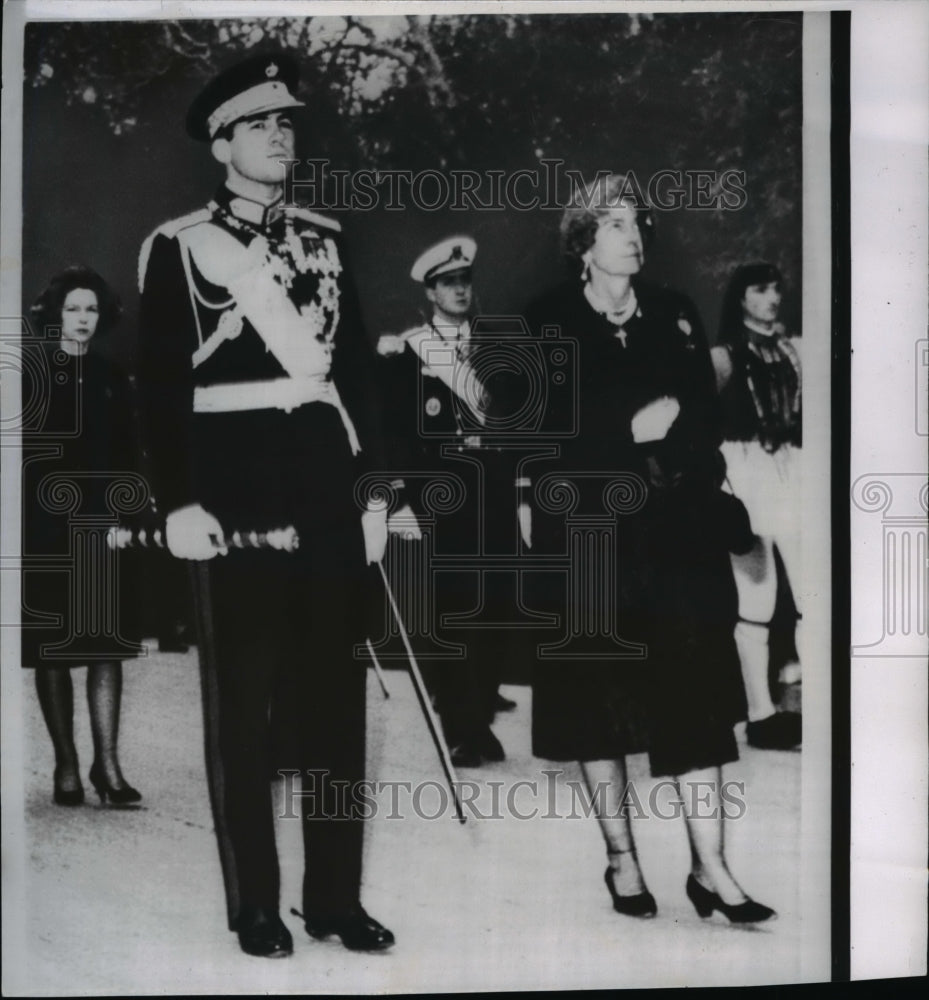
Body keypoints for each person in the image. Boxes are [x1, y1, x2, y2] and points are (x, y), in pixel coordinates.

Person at [136, 53, 393, 958]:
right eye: (260, 125)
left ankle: (335, 898)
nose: (281, 137)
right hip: (234, 491)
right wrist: (178, 502)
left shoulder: (327, 238)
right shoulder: (178, 246)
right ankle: (255, 902)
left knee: (335, 707)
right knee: (242, 710)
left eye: (287, 125)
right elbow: (161, 387)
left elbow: (355, 372)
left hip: (325, 485)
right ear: (221, 145)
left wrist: (374, 495)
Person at [523, 174, 775, 923]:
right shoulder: (548, 320)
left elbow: (699, 417)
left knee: (697, 696)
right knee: (597, 703)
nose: (632, 236)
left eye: (637, 222)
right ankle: (621, 859)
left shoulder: (673, 312)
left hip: (675, 535)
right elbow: (541, 438)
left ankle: (712, 869)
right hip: (593, 535)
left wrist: (674, 440)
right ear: (582, 240)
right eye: (613, 224)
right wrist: (629, 429)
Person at [377, 236, 515, 768]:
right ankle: (460, 725)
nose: (460, 289)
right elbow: (396, 434)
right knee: (454, 612)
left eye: (465, 281)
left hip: (495, 488)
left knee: (497, 606)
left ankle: (478, 716)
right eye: (448, 283)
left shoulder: (496, 346)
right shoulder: (407, 350)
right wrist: (401, 499)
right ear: (431, 291)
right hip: (442, 491)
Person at [22, 266, 143, 807]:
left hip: (101, 528)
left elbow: (125, 458)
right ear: (54, 314)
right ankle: (66, 766)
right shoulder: (29, 373)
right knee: (53, 650)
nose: (82, 319)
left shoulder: (112, 377)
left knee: (104, 647)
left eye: (91, 309)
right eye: (72, 309)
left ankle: (108, 766)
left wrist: (122, 516)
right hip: (43, 528)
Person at [712, 263, 802, 751]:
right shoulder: (724, 356)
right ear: (740, 297)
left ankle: (809, 704)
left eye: (776, 288)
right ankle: (759, 712)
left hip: (793, 469)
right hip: (744, 472)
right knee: (756, 600)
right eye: (761, 289)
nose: (772, 297)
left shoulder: (792, 349)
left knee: (812, 595)